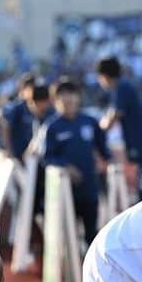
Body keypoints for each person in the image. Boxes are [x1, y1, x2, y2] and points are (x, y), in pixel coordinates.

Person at [35, 78, 110, 246]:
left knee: (92, 235)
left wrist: (107, 161)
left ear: (78, 97)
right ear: (56, 101)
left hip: (89, 188)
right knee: (67, 239)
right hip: (64, 192)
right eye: (63, 95)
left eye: (72, 94)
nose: (68, 99)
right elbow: (46, 158)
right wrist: (65, 167)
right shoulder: (52, 127)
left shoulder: (90, 122)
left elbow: (105, 151)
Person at [96, 57, 142, 199]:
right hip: (141, 143)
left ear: (104, 76)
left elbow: (113, 118)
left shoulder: (121, 88)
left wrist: (98, 127)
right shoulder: (123, 87)